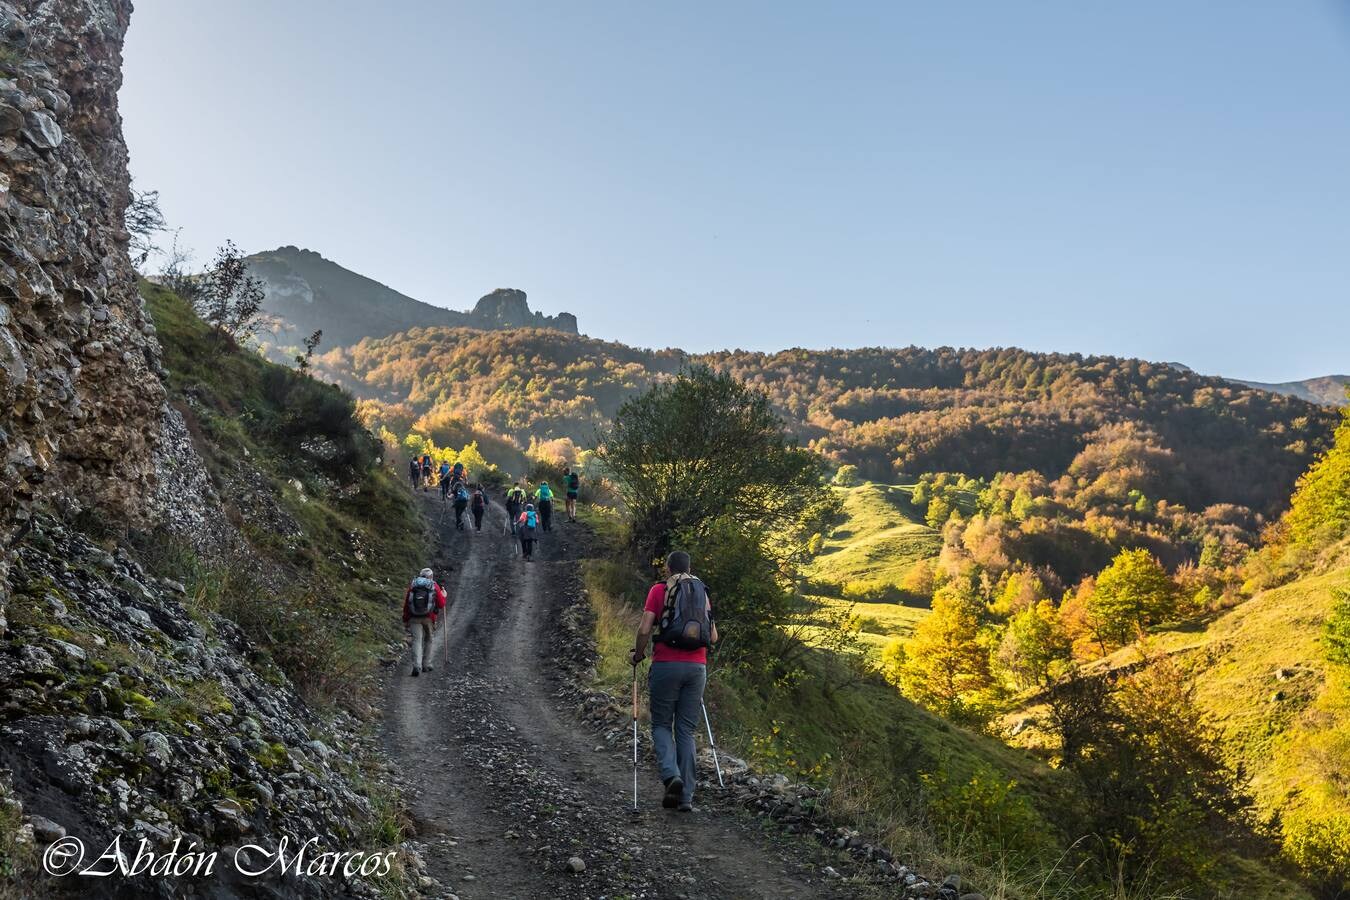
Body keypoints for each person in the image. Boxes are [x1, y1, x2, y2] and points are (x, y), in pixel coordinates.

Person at [630, 551, 717, 812]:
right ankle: (686, 798)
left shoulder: (659, 590)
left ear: (667, 569)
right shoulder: (701, 590)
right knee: (686, 730)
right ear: (690, 568)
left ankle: (671, 776)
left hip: (666, 665)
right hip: (697, 668)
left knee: (661, 725)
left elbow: (645, 628)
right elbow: (712, 637)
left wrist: (638, 653)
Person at [402, 567, 448, 677]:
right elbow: (441, 604)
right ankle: (426, 664)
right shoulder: (433, 585)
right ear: (431, 576)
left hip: (414, 617)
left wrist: (406, 619)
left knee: (417, 641)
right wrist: (444, 596)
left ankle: (416, 666)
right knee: (429, 639)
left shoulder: (413, 585)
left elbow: (407, 604)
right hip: (428, 618)